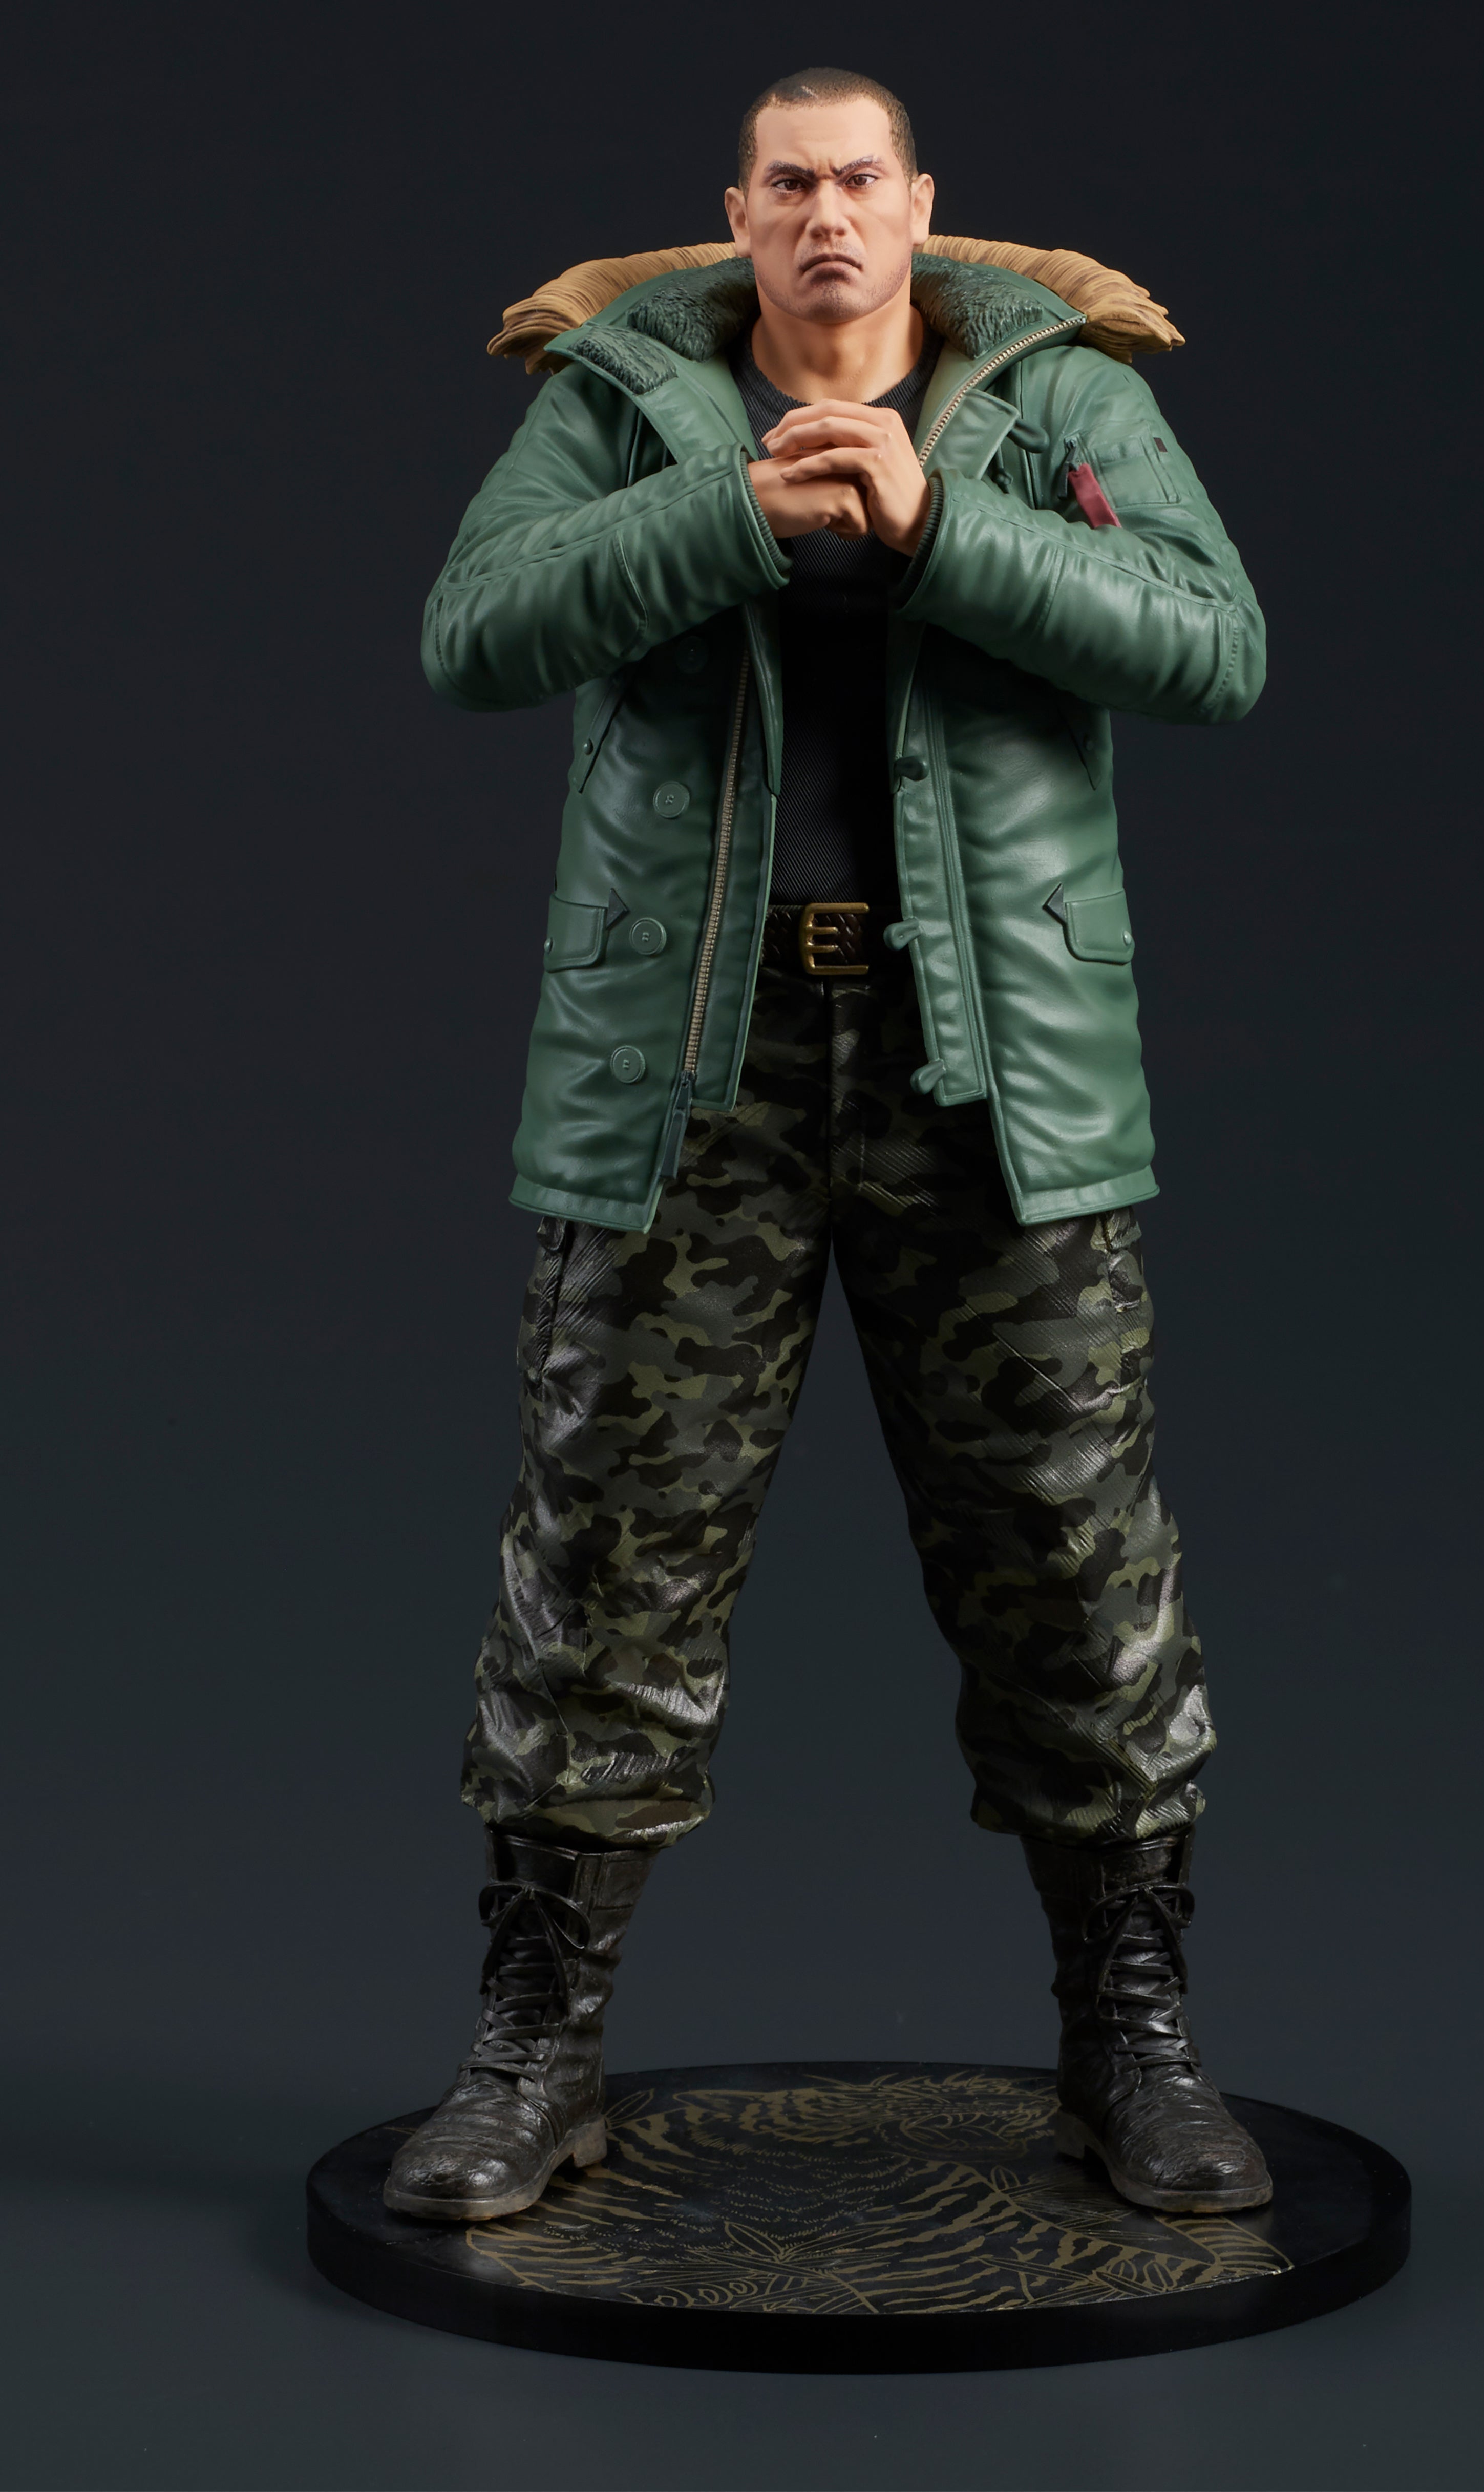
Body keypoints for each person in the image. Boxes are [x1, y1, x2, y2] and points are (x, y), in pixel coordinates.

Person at [385, 66, 1270, 2227]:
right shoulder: (627, 399)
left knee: (1073, 1553)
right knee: (606, 1552)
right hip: (693, 1061)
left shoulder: (1058, 397)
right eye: (787, 184)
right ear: (739, 215)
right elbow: (472, 635)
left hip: (996, 1065)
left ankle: (1135, 2041)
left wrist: (944, 526)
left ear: (921, 203)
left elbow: (1216, 644)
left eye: (859, 179)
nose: (826, 218)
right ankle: (533, 2051)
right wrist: (735, 514)